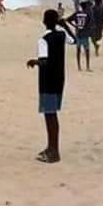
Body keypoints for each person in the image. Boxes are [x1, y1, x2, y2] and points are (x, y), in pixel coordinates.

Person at [26, 9, 76, 163]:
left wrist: (34, 62)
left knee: (50, 115)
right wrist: (64, 24)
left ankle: (54, 151)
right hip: (59, 79)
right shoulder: (61, 35)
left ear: (44, 22)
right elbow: (73, 40)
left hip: (47, 80)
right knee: (52, 114)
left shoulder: (43, 40)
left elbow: (45, 62)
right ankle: (51, 147)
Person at [71, 2, 93, 72]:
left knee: (78, 50)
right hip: (85, 34)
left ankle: (79, 67)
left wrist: (75, 26)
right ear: (86, 7)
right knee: (87, 51)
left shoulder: (77, 13)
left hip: (78, 34)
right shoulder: (87, 14)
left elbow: (68, 20)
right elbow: (91, 23)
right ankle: (87, 67)